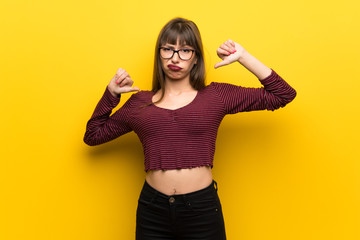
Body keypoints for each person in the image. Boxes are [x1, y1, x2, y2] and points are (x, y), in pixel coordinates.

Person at [83, 17, 296, 240]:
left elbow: (283, 94)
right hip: (152, 209)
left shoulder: (216, 96)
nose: (175, 58)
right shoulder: (139, 103)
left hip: (202, 210)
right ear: (159, 55)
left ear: (196, 59)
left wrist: (243, 56)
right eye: (168, 49)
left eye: (185, 50)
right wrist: (111, 94)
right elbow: (93, 135)